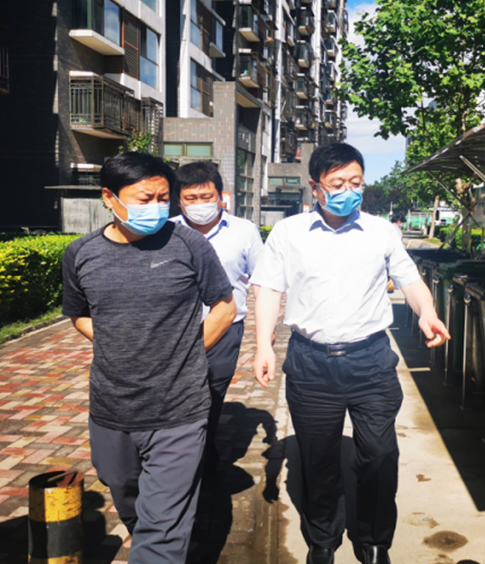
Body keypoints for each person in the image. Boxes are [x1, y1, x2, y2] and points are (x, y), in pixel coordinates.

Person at [251, 143, 450, 564]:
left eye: (355, 182)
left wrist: (428, 313)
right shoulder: (289, 233)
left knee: (380, 454)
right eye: (337, 183)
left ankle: (375, 540)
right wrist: (263, 344)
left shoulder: (382, 231)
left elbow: (409, 279)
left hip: (370, 361)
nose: (348, 190)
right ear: (315, 187)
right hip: (311, 362)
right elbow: (269, 288)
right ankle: (323, 539)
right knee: (318, 460)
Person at [62, 152, 236, 562]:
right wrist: (116, 342)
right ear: (109, 197)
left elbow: (225, 308)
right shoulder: (80, 253)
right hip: (111, 409)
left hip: (179, 407)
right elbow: (78, 313)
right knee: (126, 495)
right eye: (144, 199)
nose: (156, 207)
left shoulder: (188, 244)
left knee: (162, 528)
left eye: (163, 198)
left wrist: (185, 353)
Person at [170, 161, 264, 477]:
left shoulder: (244, 231)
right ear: (179, 200)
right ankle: (180, 460)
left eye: (206, 197)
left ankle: (201, 462)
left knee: (211, 396)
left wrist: (265, 334)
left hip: (225, 330)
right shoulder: (165, 231)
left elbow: (261, 281)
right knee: (174, 396)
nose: (200, 204)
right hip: (173, 332)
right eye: (191, 198)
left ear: (220, 196)